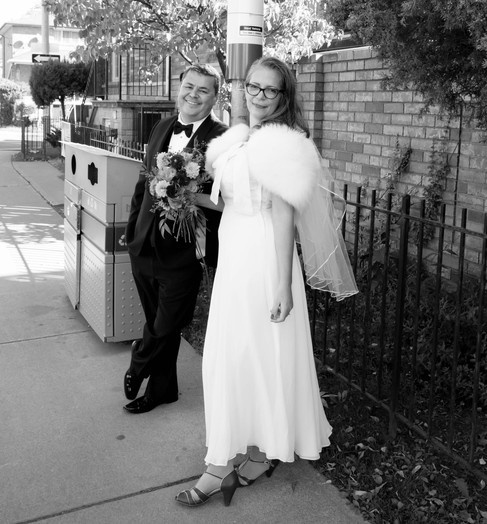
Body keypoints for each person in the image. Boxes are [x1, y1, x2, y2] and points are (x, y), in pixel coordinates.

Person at [175, 56, 358, 507]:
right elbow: (233, 200)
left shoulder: (282, 143)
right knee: (237, 354)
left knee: (247, 354)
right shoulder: (240, 137)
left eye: (269, 89)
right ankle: (255, 455)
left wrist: (281, 286)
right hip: (234, 255)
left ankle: (219, 467)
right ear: (243, 89)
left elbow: (281, 215)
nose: (258, 96)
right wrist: (179, 192)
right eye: (253, 86)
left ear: (283, 96)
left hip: (263, 259)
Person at [123, 63, 227, 414]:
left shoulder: (222, 139)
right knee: (157, 320)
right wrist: (131, 230)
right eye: (189, 86)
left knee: (167, 321)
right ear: (179, 87)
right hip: (144, 244)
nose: (193, 95)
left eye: (203, 90)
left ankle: (139, 360)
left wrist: (187, 193)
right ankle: (162, 390)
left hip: (184, 250)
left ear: (215, 98)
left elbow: (225, 199)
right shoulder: (161, 126)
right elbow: (143, 182)